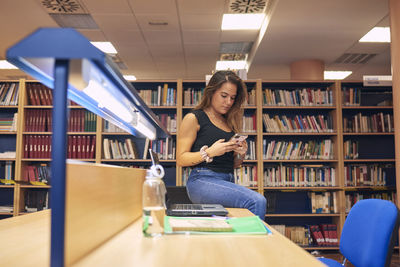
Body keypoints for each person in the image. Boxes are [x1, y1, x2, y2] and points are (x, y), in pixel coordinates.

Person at [176, 70, 266, 220]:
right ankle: (252, 244)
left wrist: (240, 153)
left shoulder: (228, 122)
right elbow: (180, 159)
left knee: (230, 223)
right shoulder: (194, 118)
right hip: (202, 181)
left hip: (227, 180)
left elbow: (233, 164)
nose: (228, 102)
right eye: (224, 96)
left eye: (232, 98)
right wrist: (209, 152)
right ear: (211, 92)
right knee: (256, 201)